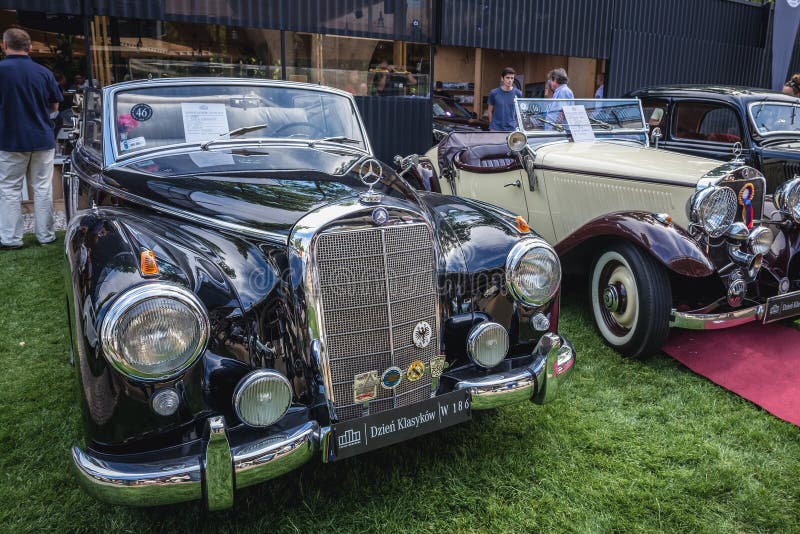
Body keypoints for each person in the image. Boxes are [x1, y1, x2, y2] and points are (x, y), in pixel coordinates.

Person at [0, 28, 62, 249]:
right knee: (43, 187)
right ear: (30, 47)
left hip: (9, 139)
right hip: (42, 137)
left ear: (4, 45)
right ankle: (46, 236)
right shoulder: (43, 72)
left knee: (8, 188)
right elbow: (55, 105)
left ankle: (10, 239)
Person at [487, 67, 522, 131]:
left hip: (511, 128)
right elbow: (489, 111)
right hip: (496, 128)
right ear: (502, 78)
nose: (510, 80)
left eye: (512, 78)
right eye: (507, 77)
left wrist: (517, 125)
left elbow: (519, 112)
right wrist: (492, 126)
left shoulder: (518, 93)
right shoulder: (494, 93)